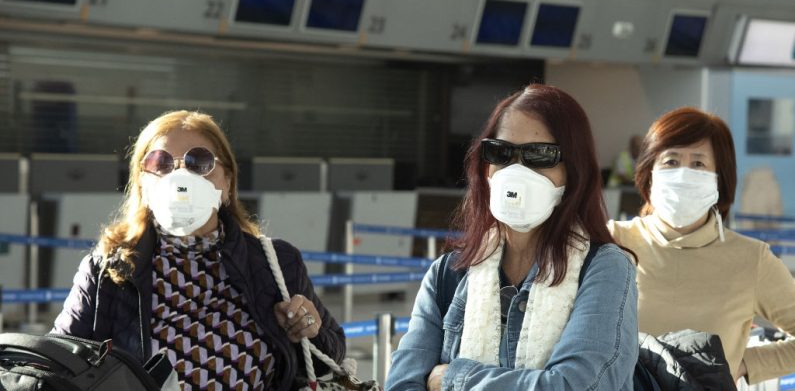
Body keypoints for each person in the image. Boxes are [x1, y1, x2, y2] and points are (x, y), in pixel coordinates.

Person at [52, 110, 345, 390]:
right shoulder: (107, 270)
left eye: (199, 162)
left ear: (228, 182)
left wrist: (307, 331)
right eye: (160, 163)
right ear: (142, 182)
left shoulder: (276, 263)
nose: (181, 178)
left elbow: (330, 356)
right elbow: (55, 365)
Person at [386, 85, 638, 390]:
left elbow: (577, 385)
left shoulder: (604, 269)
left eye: (540, 155)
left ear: (575, 171)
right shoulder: (448, 274)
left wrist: (453, 378)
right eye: (501, 153)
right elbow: (402, 383)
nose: (516, 172)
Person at [608, 107, 795, 385]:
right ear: (649, 173)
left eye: (698, 164)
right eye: (671, 161)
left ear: (720, 178)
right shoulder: (612, 241)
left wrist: (743, 364)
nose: (683, 174)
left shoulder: (751, 259)